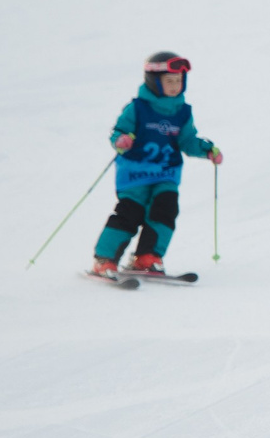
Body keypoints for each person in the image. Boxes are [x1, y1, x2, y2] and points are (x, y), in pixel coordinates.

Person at [93, 52, 222, 280]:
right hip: (135, 174)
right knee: (130, 213)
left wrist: (206, 150)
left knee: (166, 209)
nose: (175, 86)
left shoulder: (182, 112)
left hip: (166, 173)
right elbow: (119, 132)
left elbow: (187, 141)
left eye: (179, 81)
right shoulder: (138, 108)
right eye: (169, 81)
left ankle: (147, 257)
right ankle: (105, 259)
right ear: (154, 81)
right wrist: (121, 141)